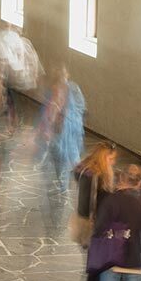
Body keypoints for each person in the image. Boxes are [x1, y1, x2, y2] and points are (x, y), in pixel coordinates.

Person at [93, 164, 141, 281]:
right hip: (135, 260)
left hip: (111, 259)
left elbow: (98, 229)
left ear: (122, 178)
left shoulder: (110, 200)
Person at [74, 142, 118, 281]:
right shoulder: (92, 175)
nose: (113, 162)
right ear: (103, 157)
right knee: (95, 267)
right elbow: (89, 204)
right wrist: (94, 227)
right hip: (93, 227)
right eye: (111, 158)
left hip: (99, 225)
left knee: (97, 265)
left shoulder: (97, 173)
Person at [39, 65, 86, 193]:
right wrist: (47, 126)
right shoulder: (53, 90)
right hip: (58, 130)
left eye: (64, 75)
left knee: (72, 156)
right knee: (59, 157)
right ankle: (62, 183)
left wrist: (69, 116)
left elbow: (80, 106)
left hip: (70, 129)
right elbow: (47, 109)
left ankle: (75, 181)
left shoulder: (73, 88)